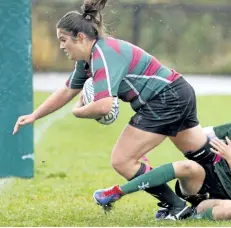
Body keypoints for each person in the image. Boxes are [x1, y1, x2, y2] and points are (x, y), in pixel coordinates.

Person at [12, 0, 219, 220]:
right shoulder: (89, 59)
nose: (61, 46)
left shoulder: (102, 55)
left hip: (164, 99)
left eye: (63, 40)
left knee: (122, 160)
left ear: (80, 37)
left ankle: (176, 206)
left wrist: (78, 112)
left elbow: (104, 106)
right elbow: (67, 90)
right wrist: (35, 115)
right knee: (201, 154)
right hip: (178, 90)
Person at [93, 100, 231, 221]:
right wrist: (143, 147)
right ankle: (115, 193)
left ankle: (188, 214)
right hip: (202, 182)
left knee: (230, 211)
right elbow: (191, 134)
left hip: (225, 199)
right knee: (189, 166)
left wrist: (230, 158)